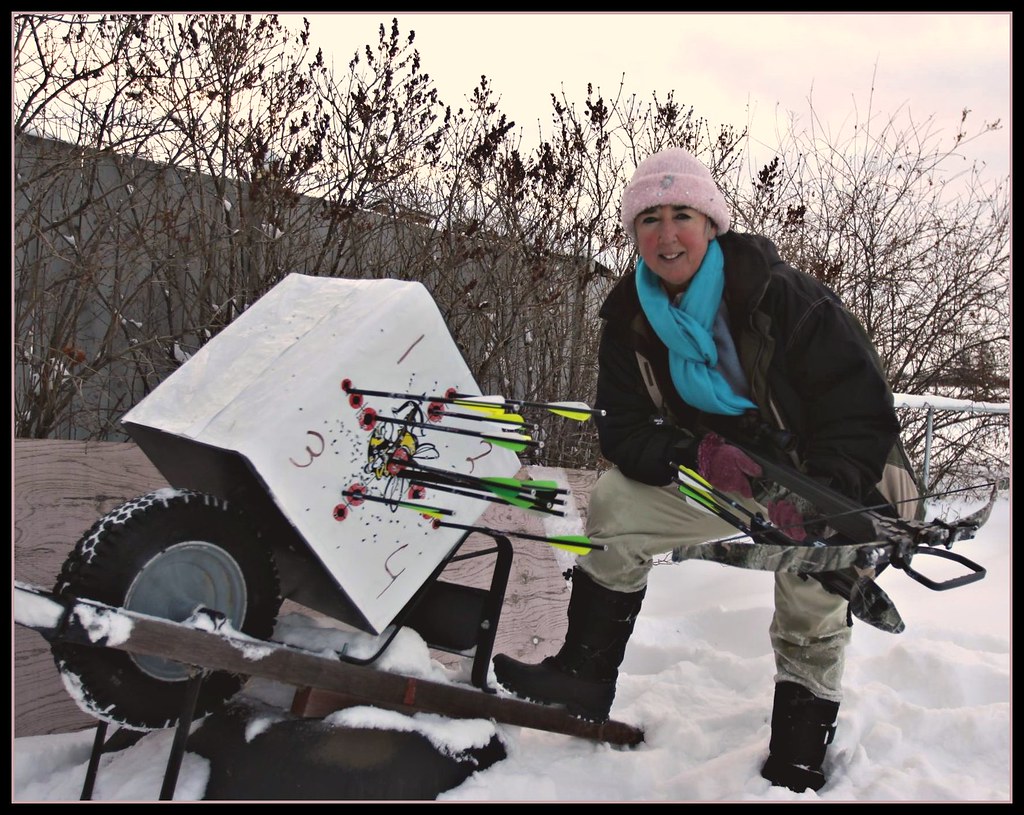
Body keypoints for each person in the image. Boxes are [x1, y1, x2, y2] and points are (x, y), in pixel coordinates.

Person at [492, 147, 921, 794]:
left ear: (712, 223)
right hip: (724, 476)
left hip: (835, 480)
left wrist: (812, 499)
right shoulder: (630, 320)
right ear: (634, 232)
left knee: (813, 574)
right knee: (616, 499)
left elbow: (861, 415)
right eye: (650, 219)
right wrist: (694, 455)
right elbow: (623, 429)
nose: (667, 235)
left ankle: (800, 742)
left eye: (682, 215)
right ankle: (583, 675)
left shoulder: (789, 300)